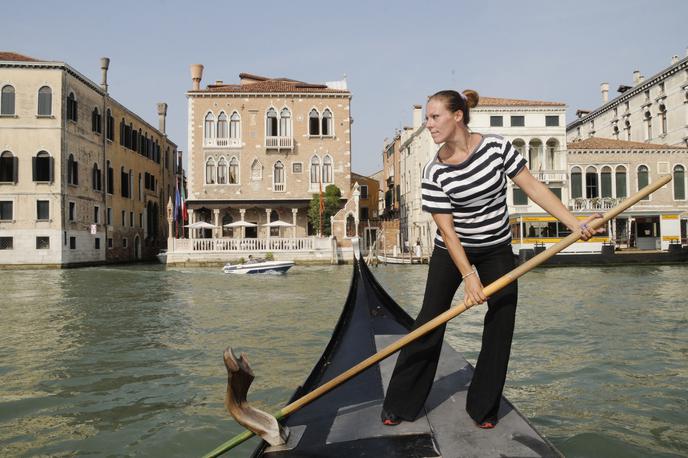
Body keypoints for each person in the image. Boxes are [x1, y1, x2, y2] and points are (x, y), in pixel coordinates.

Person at [380, 89, 602, 429]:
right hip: (452, 250)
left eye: (435, 116)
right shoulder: (434, 172)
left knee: (502, 319)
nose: (429, 124)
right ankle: (400, 402)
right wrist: (469, 277)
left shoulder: (497, 148)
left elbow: (534, 188)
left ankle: (483, 407)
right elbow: (449, 232)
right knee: (429, 320)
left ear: (458, 116)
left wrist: (574, 224)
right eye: (427, 118)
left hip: (497, 246)